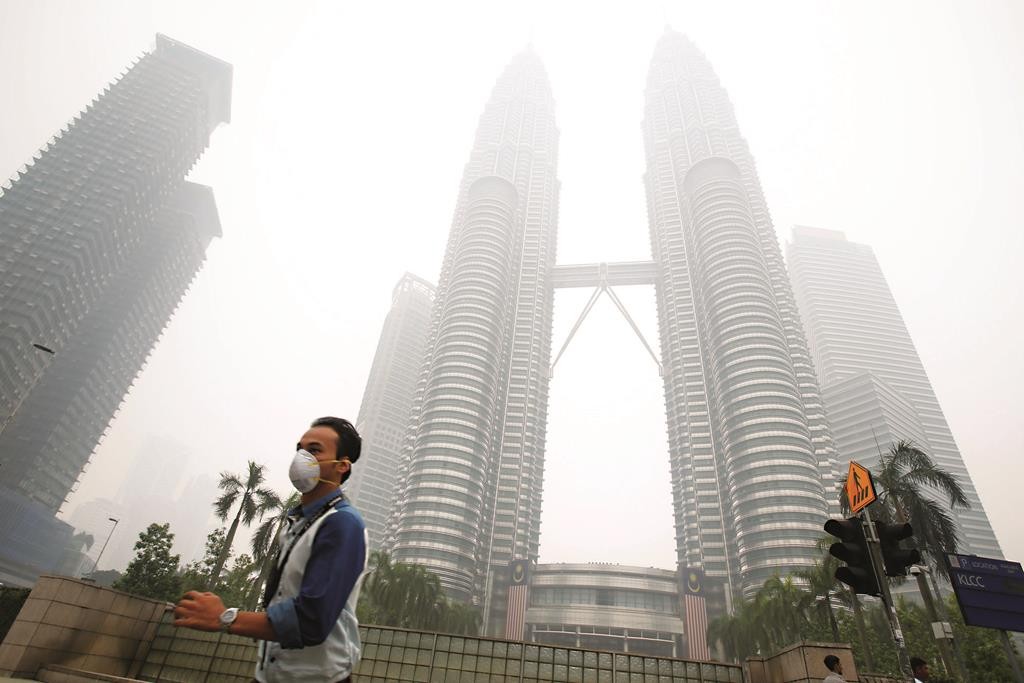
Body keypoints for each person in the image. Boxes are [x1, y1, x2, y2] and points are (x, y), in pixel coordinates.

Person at [173, 416, 368, 683]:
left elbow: (310, 620)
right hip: (270, 675)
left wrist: (224, 618)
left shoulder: (342, 524)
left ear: (341, 466)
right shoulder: (298, 521)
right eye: (299, 449)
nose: (301, 457)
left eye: (314, 450)